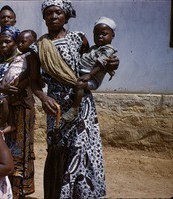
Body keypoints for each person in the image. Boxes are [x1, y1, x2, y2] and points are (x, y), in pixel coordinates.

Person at [28, 0, 119, 198]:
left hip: (82, 104)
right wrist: (43, 98)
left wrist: (111, 63)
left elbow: (93, 61)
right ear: (44, 17)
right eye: (49, 13)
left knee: (82, 149)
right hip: (57, 108)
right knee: (60, 152)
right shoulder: (38, 48)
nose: (53, 16)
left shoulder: (79, 39)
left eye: (58, 13)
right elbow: (34, 81)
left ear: (66, 16)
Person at [0, 26, 36, 198]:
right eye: (1, 42)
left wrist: (12, 90)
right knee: (0, 146)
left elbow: (30, 78)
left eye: (7, 41)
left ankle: (18, 190)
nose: (3, 45)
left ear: (15, 43)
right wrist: (2, 88)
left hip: (21, 109)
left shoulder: (25, 59)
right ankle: (1, 189)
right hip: (1, 108)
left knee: (19, 149)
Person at [62, 16, 118, 122]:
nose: (99, 37)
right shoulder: (94, 48)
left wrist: (90, 75)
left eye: (103, 34)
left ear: (113, 35)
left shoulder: (108, 50)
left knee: (80, 84)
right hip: (84, 73)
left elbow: (100, 64)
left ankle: (74, 109)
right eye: (96, 34)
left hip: (93, 79)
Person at [0, 29, 37, 134]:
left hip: (19, 84)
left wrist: (19, 79)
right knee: (6, 102)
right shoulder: (19, 56)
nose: (19, 44)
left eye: (23, 42)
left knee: (5, 101)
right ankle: (11, 124)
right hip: (10, 85)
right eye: (18, 42)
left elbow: (27, 71)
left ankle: (5, 123)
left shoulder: (30, 56)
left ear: (33, 43)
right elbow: (11, 68)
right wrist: (4, 80)